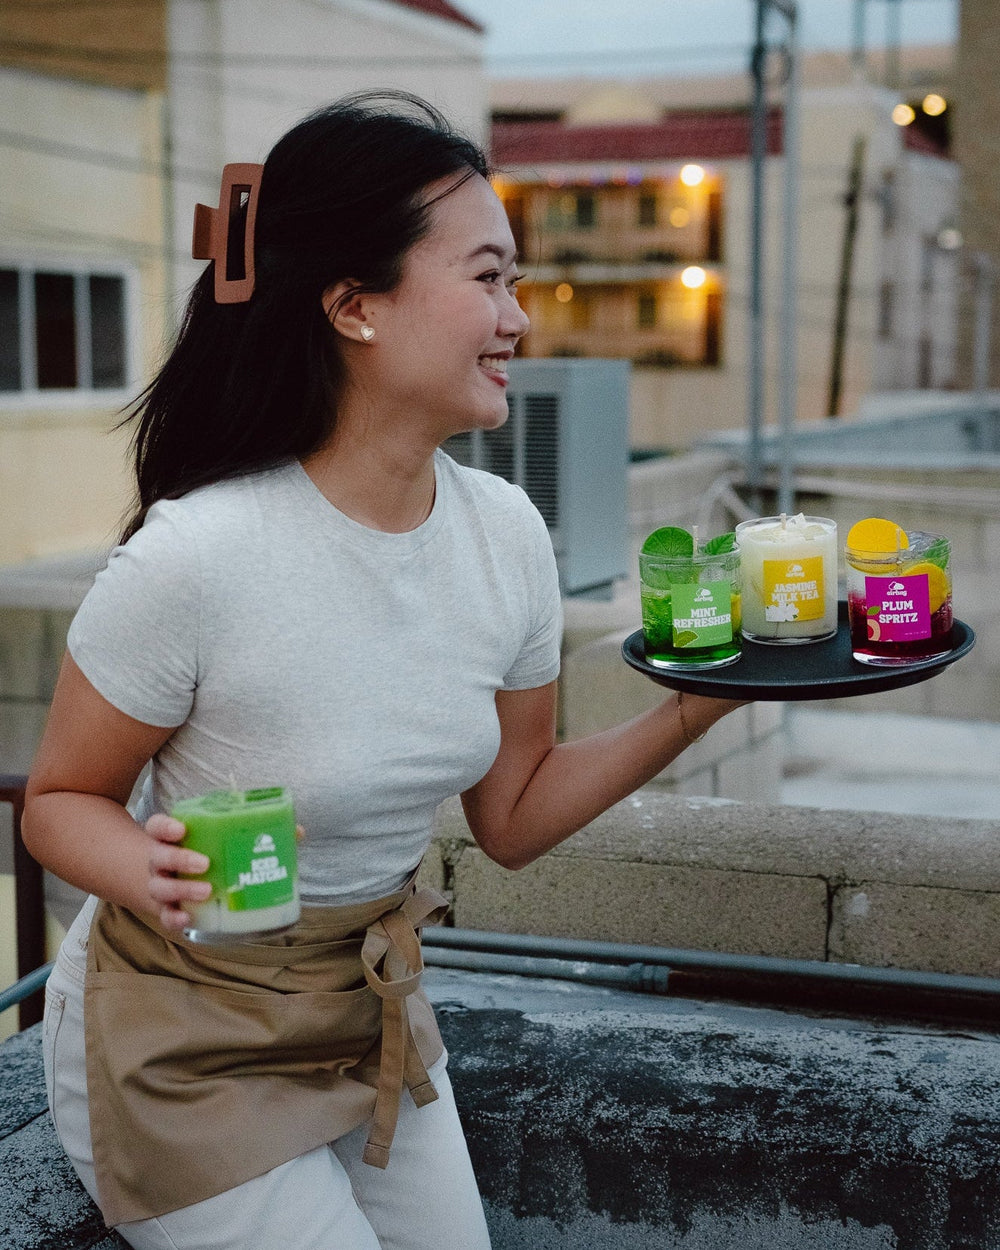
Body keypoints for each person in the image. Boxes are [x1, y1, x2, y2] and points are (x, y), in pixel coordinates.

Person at [22, 91, 745, 1250]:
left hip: (369, 1015)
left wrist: (693, 707)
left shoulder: (506, 531)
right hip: (180, 1034)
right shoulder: (199, 555)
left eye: (515, 282)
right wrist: (149, 868)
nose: (519, 317)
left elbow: (508, 814)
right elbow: (59, 802)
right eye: (489, 278)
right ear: (354, 305)